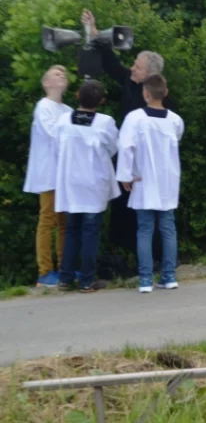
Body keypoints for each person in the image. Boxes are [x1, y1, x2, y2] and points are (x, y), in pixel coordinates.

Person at [82, 9, 171, 276]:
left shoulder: (163, 102)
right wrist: (96, 33)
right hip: (126, 162)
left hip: (150, 166)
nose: (133, 68)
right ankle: (125, 259)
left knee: (151, 214)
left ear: (150, 75)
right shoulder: (129, 82)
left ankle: (157, 259)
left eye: (138, 66)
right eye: (134, 64)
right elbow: (110, 63)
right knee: (123, 212)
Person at [115, 74, 185, 293]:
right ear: (165, 93)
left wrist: (125, 175)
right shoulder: (174, 119)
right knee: (168, 228)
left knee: (145, 229)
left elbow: (126, 147)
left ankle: (145, 279)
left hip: (144, 178)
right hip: (167, 181)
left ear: (145, 93)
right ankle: (169, 275)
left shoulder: (134, 118)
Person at [55, 80, 119, 292]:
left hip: (71, 183)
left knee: (72, 229)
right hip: (93, 183)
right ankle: (86, 280)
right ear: (101, 101)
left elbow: (57, 147)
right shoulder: (105, 122)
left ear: (76, 96)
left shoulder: (64, 120)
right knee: (90, 232)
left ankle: (65, 278)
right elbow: (113, 148)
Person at [24, 65, 73, 288]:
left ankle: (65, 268)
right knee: (47, 220)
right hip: (48, 173)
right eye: (55, 74)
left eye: (63, 74)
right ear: (46, 84)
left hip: (65, 173)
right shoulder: (43, 107)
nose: (61, 75)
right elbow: (56, 134)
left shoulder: (68, 109)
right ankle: (45, 272)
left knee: (64, 222)